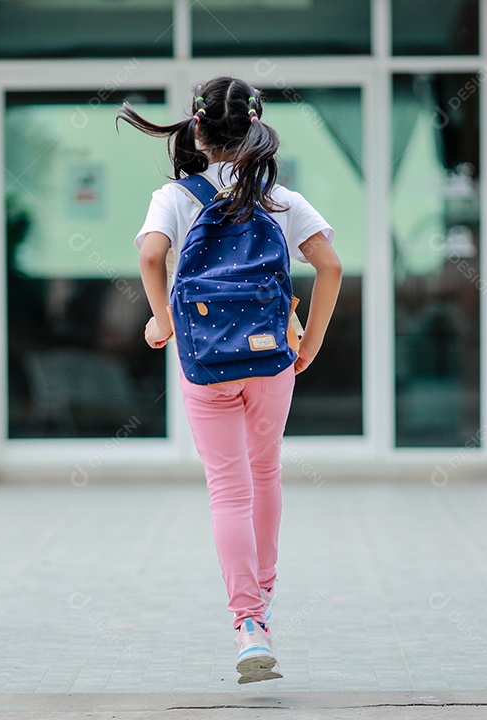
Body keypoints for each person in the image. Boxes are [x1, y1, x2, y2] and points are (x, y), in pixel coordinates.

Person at [119, 76, 342, 684]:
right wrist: (312, 340)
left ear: (197, 130)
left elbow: (149, 255)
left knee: (228, 490)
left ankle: (247, 625)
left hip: (205, 365)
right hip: (273, 360)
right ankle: (263, 604)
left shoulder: (176, 195)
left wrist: (162, 321)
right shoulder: (281, 199)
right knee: (265, 473)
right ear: (255, 130)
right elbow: (330, 266)